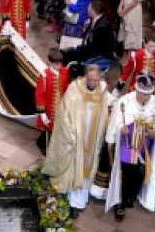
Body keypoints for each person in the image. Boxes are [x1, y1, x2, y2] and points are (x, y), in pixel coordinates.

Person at [42, 64, 110, 217]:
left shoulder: (102, 91)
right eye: (91, 80)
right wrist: (71, 134)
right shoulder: (74, 88)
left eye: (96, 80)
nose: (93, 83)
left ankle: (78, 201)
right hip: (76, 137)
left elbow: (105, 112)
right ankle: (70, 199)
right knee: (74, 166)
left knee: (86, 167)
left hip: (92, 139)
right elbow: (64, 113)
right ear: (85, 76)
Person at [105, 74, 155, 221]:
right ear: (136, 90)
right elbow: (118, 119)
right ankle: (120, 203)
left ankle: (132, 195)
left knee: (141, 171)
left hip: (146, 145)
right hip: (128, 143)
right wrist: (122, 127)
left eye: (148, 94)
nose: (145, 98)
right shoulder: (125, 100)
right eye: (142, 94)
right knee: (126, 171)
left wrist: (154, 130)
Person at [116, 29, 155, 94]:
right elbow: (126, 72)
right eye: (151, 46)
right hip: (136, 87)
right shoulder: (136, 55)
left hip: (151, 88)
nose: (153, 49)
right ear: (144, 43)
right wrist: (118, 88)